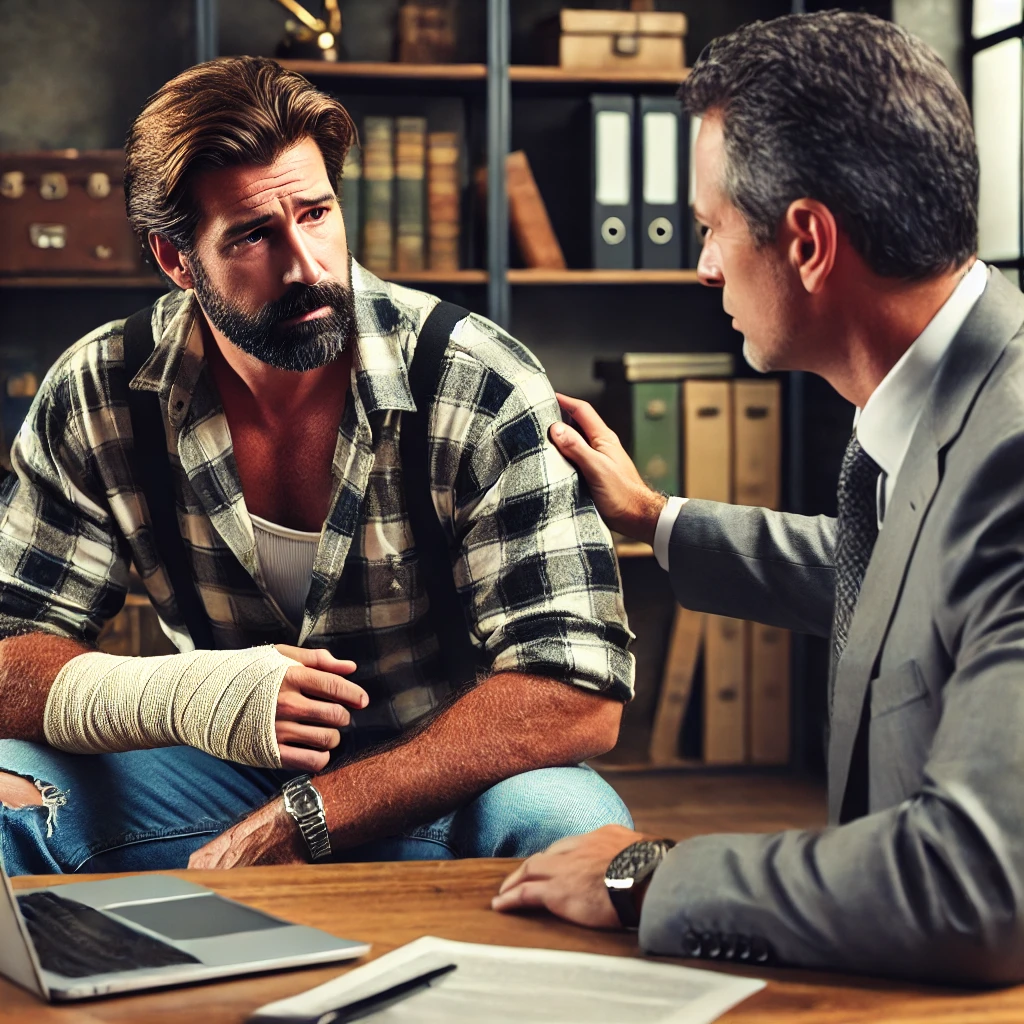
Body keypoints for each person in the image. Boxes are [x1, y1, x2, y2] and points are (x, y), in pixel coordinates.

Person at [0, 56, 635, 875]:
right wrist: (192, 696)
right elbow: (12, 650)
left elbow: (577, 693)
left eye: (316, 213)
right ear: (175, 260)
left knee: (572, 822)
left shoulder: (477, 381)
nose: (305, 265)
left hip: (444, 779)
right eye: (255, 235)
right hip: (207, 774)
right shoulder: (101, 391)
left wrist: (311, 815)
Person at [493, 11, 1024, 987]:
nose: (700, 265)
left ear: (809, 242)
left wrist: (645, 874)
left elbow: (974, 883)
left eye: (709, 228)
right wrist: (656, 518)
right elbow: (899, 580)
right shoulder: (952, 404)